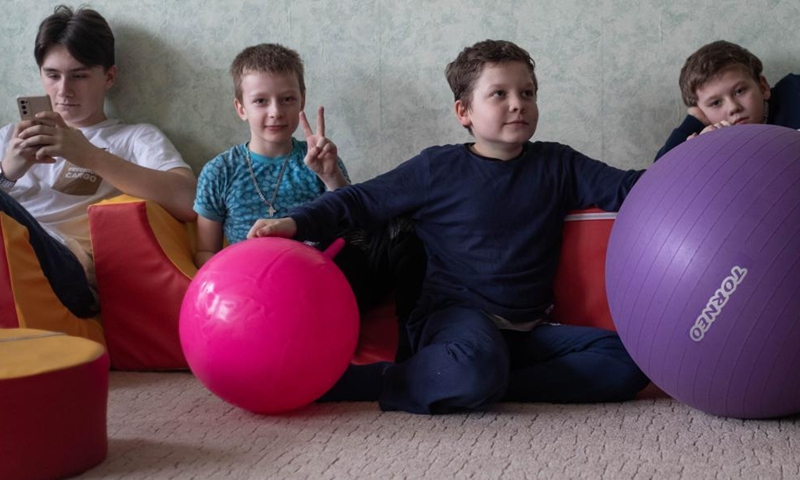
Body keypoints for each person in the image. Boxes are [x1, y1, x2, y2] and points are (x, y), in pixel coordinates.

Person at [247, 39, 650, 414]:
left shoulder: (559, 164)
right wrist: (294, 222)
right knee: (475, 363)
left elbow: (632, 188)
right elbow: (360, 200)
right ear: (464, 112)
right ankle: (387, 380)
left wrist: (696, 150)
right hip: (454, 321)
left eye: (527, 93)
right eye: (500, 94)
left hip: (523, 333)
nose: (518, 104)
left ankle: (492, 384)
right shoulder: (437, 168)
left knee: (628, 362)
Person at [193, 43, 425, 324]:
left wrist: (330, 176)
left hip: (323, 276)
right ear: (241, 108)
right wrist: (231, 283)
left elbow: (355, 224)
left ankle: (415, 336)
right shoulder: (220, 171)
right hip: (253, 289)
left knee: (405, 224)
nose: (276, 111)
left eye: (287, 99)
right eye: (261, 101)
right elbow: (206, 251)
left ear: (302, 100)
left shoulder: (317, 156)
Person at [0, 6, 196, 331]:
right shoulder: (10, 136)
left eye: (79, 75)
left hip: (65, 266)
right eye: (52, 75)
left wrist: (88, 155)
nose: (64, 91)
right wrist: (6, 173)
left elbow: (188, 199)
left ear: (109, 76)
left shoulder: (134, 138)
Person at [655, 40, 800, 161]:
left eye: (739, 91)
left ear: (762, 87)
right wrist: (695, 122)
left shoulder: (794, 90)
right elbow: (656, 175)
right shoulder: (707, 142)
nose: (733, 108)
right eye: (716, 103)